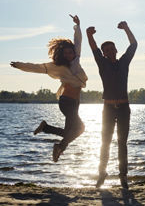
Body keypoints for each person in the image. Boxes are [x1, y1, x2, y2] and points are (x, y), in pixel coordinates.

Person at [10, 15, 87, 163]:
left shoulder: (76, 59)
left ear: (73, 52)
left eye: (70, 52)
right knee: (80, 129)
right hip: (66, 102)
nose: (69, 55)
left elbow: (78, 41)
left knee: (68, 132)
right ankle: (59, 147)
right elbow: (37, 68)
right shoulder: (58, 67)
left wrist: (77, 26)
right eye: (65, 53)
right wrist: (20, 65)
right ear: (62, 55)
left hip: (75, 103)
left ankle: (46, 128)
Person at [86, 21, 137, 189]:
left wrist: (126, 28)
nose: (109, 52)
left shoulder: (124, 62)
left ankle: (123, 175)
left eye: (111, 49)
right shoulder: (102, 63)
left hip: (123, 108)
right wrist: (89, 35)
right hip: (108, 109)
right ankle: (102, 173)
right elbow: (94, 49)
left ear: (116, 50)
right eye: (105, 50)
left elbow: (134, 44)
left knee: (122, 142)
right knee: (105, 142)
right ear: (104, 53)